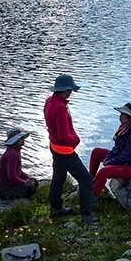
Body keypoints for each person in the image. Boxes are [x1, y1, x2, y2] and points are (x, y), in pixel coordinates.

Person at [44, 74, 98, 223]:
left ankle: (55, 208)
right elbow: (63, 136)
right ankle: (86, 214)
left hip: (54, 146)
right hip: (64, 150)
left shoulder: (49, 101)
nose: (71, 93)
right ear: (67, 90)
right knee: (86, 179)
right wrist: (76, 139)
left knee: (59, 176)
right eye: (71, 90)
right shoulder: (60, 108)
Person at [89, 103, 131, 197]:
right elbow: (116, 148)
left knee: (104, 171)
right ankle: (90, 182)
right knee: (96, 152)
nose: (120, 116)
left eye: (122, 114)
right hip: (121, 159)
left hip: (130, 166)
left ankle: (88, 201)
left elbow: (128, 156)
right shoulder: (124, 126)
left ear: (129, 117)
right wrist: (108, 158)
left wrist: (110, 162)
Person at [0, 126, 38, 200]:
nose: (23, 140)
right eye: (21, 138)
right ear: (15, 141)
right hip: (4, 189)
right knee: (31, 189)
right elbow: (11, 176)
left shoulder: (16, 151)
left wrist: (27, 178)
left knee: (34, 182)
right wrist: (24, 183)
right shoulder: (12, 154)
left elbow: (18, 171)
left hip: (8, 185)